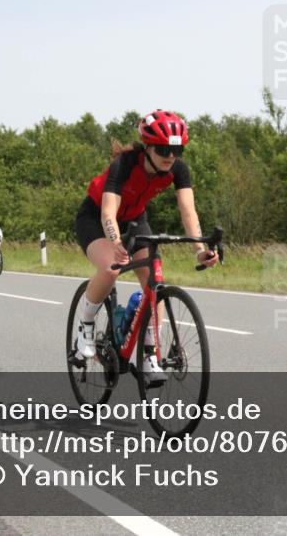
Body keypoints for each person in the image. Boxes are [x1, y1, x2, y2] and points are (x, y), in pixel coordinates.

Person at [74, 110, 218, 379]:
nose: (171, 155)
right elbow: (108, 211)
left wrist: (200, 250)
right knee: (110, 268)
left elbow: (188, 211)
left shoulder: (177, 169)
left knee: (154, 281)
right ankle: (87, 323)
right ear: (148, 147)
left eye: (177, 149)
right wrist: (116, 242)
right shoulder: (126, 163)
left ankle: (150, 354)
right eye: (164, 148)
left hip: (135, 219)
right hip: (95, 217)